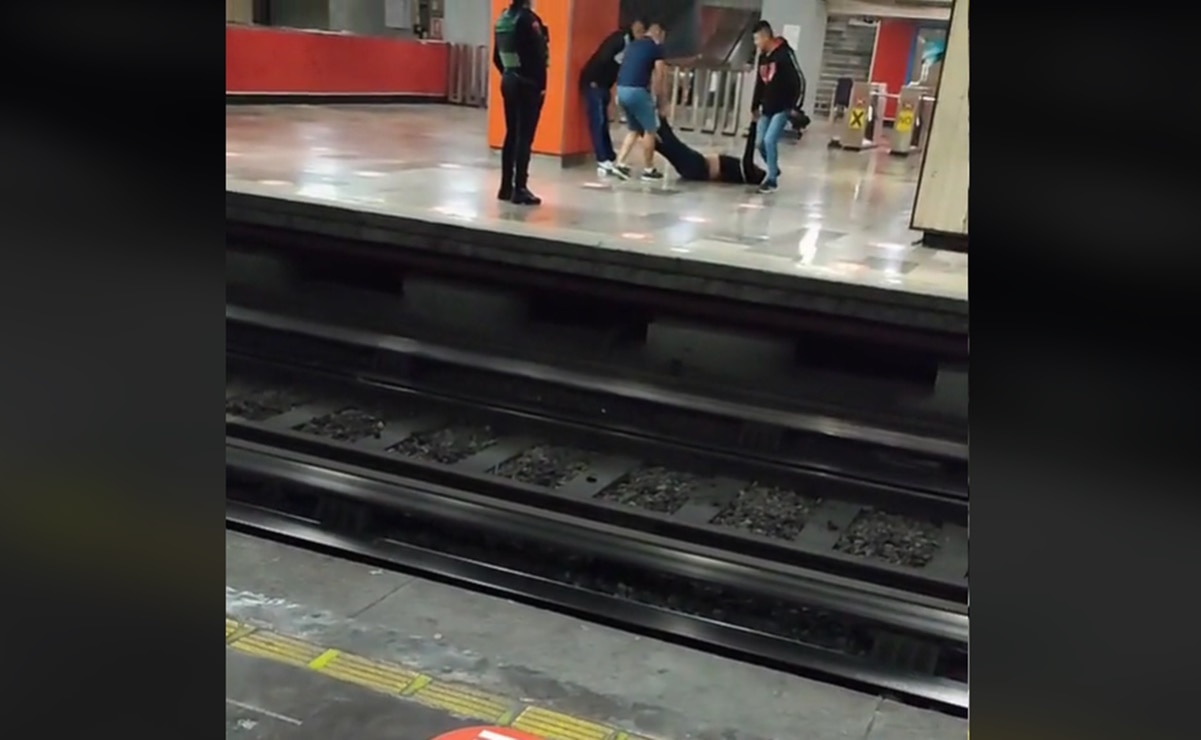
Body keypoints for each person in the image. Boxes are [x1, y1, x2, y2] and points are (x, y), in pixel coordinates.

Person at [493, 0, 550, 205]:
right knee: (525, 137)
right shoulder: (529, 19)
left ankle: (505, 187)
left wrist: (510, 73)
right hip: (528, 84)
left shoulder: (503, 19)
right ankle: (520, 188)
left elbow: (496, 57)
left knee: (511, 134)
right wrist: (541, 86)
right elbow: (538, 56)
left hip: (509, 80)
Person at [579, 20, 646, 179]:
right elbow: (603, 58)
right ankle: (602, 159)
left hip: (604, 84)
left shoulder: (631, 45)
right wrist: (595, 80)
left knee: (603, 121)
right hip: (594, 82)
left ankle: (609, 155)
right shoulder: (620, 40)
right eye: (640, 31)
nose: (641, 35)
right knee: (598, 121)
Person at [749, 20, 802, 194]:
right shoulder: (763, 58)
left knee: (769, 140)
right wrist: (755, 105)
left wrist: (793, 105)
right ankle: (774, 168)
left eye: (757, 39)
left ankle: (772, 180)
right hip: (767, 107)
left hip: (782, 107)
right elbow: (760, 83)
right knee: (759, 143)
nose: (756, 43)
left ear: (765, 37)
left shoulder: (785, 55)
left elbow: (798, 80)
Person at [613, 22, 667, 181]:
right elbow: (660, 74)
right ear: (658, 33)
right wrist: (659, 99)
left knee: (634, 129)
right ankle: (649, 169)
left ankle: (620, 163)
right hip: (637, 91)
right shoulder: (656, 48)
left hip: (621, 89)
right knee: (650, 130)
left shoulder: (633, 45)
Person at [654, 119, 768, 185]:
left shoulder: (747, 171)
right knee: (668, 147)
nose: (757, 166)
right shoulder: (741, 173)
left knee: (671, 143)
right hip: (696, 168)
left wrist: (753, 125)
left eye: (758, 169)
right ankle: (652, 131)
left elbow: (749, 153)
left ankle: (656, 122)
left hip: (699, 166)